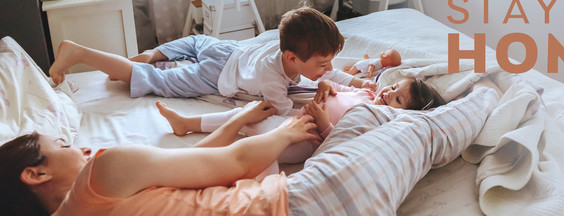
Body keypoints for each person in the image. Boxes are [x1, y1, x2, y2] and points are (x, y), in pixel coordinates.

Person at [0, 79, 501, 216]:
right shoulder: (103, 173)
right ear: (35, 173)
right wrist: (282, 134)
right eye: (64, 142)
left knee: (369, 115)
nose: (81, 146)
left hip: (297, 191)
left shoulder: (97, 202)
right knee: (415, 133)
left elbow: (189, 167)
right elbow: (234, 163)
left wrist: (241, 118)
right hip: (303, 204)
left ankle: (411, 105)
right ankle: (492, 91)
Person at [48, 6, 376, 116]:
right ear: (292, 57)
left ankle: (160, 52)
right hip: (216, 74)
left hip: (227, 49)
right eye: (323, 64)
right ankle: (80, 52)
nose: (328, 69)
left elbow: (323, 72)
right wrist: (319, 106)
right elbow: (288, 112)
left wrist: (358, 82)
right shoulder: (273, 79)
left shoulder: (288, 54)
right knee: (152, 80)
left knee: (195, 41)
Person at [155, 77, 444, 165]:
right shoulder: (367, 92)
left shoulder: (377, 119)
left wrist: (322, 123)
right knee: (252, 110)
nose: (387, 94)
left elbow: (342, 141)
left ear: (401, 113)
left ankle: (214, 157)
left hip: (308, 139)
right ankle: (187, 123)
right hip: (297, 116)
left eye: (397, 99)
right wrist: (326, 86)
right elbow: (334, 85)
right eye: (393, 87)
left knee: (252, 132)